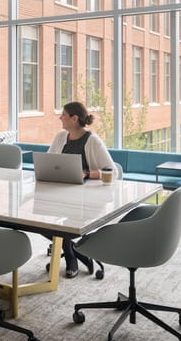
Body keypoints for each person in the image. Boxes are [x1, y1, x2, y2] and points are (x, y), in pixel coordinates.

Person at [47, 101, 115, 278]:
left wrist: (86, 173)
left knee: (61, 225)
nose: (60, 117)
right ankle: (78, 251)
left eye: (63, 115)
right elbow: (48, 161)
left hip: (86, 198)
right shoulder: (61, 136)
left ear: (74, 118)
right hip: (61, 193)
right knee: (38, 219)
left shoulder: (92, 140)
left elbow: (112, 171)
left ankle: (70, 256)